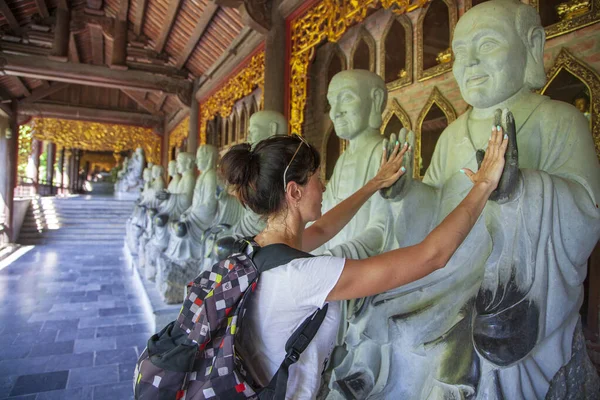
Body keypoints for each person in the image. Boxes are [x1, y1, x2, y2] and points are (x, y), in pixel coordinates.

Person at [219, 126, 508, 399]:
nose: (323, 187)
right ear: (295, 192)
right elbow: (432, 256)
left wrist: (375, 183)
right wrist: (483, 185)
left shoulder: (256, 249)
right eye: (318, 178)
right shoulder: (307, 275)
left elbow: (323, 230)